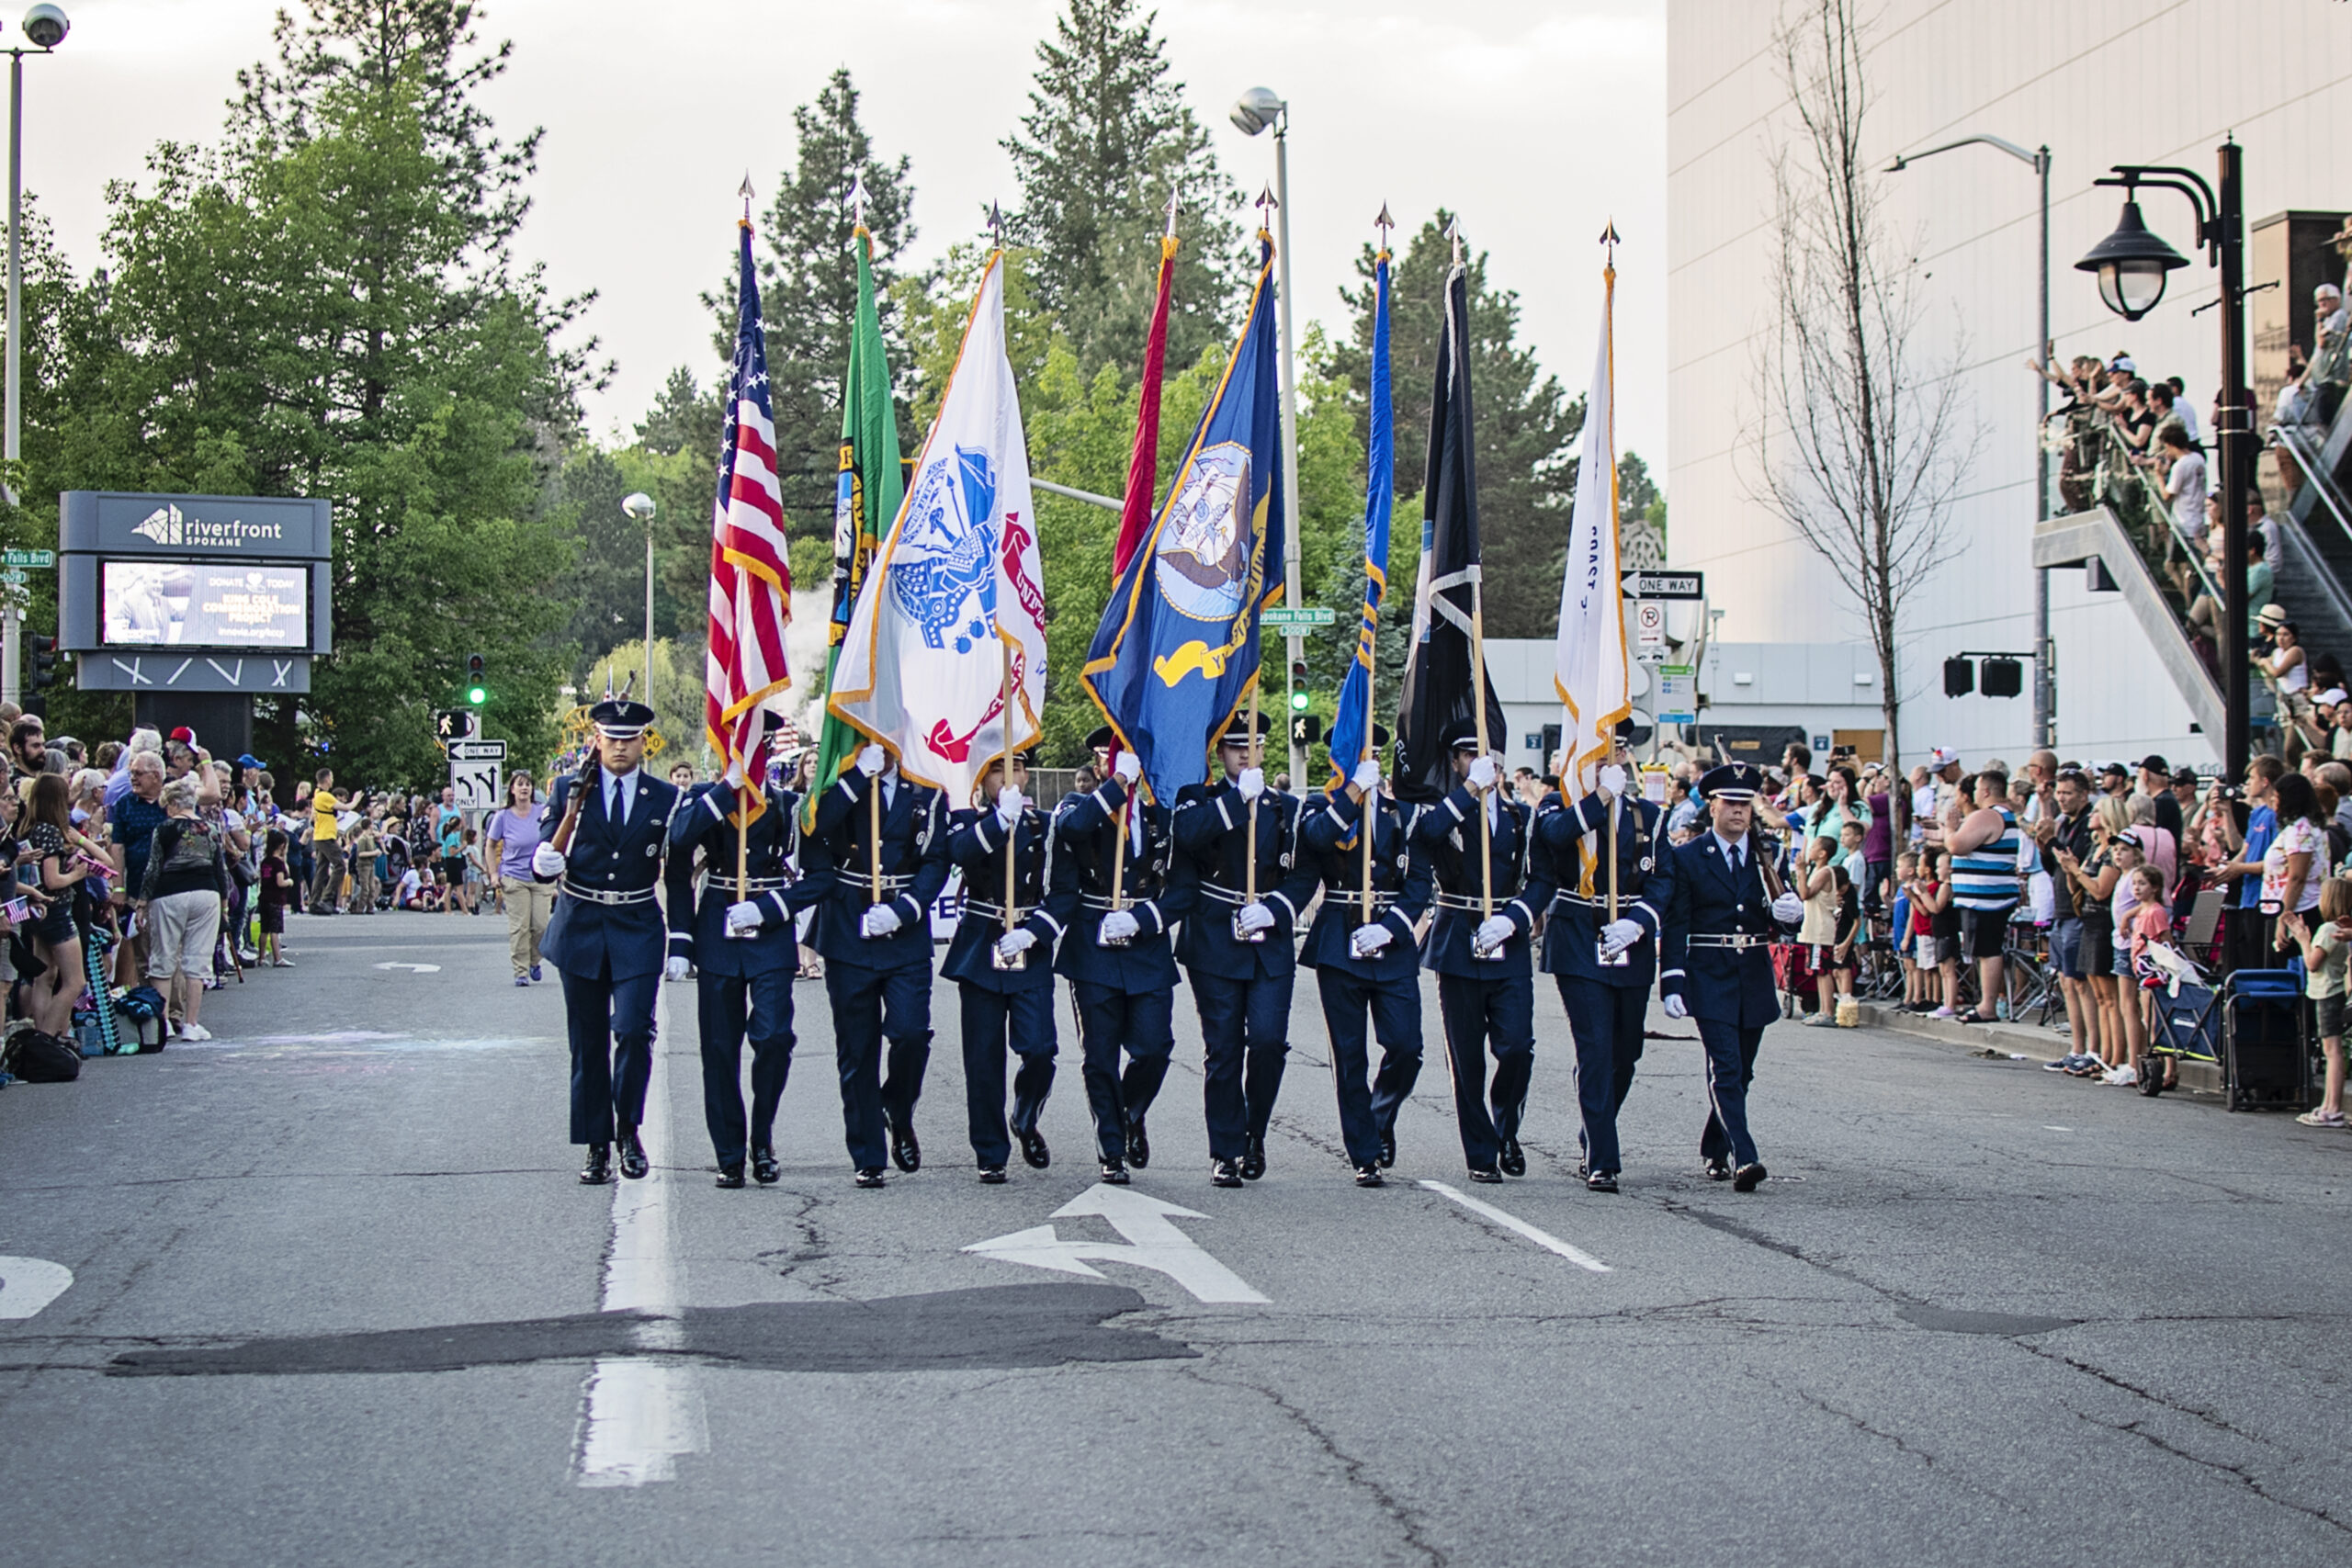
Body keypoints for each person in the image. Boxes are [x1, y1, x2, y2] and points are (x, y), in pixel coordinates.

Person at [530, 692, 693, 1186]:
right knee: (587, 1041)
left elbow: (680, 874)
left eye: (631, 738)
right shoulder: (568, 788)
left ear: (646, 743)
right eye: (611, 737)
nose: (620, 747)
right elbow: (546, 851)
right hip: (580, 925)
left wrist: (682, 940)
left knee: (633, 1031)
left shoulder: (667, 797)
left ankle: (628, 1129)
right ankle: (596, 1145)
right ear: (596, 739)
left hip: (636, 924)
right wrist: (543, 863)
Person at [669, 721, 825, 1189]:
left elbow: (821, 876)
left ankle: (762, 1135)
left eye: (754, 740)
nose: (745, 749)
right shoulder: (703, 797)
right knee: (719, 1050)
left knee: (775, 1037)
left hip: (770, 930)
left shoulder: (786, 805)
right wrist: (681, 939)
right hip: (717, 925)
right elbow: (678, 845)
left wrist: (768, 907)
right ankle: (730, 1152)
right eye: (736, 738)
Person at [1172, 713, 1317, 1187]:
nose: (1244, 753)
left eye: (1253, 744)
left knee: (1271, 1042)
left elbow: (1304, 873)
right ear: (1220, 753)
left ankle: (1254, 1132)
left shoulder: (1286, 808)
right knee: (1224, 1048)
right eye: (1235, 746)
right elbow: (1189, 837)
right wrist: (1238, 801)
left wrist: (1276, 907)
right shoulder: (1200, 798)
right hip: (1215, 937)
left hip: (1268, 938)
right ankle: (1226, 1151)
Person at [1411, 720, 1558, 1184]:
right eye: (1469, 753)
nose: (1482, 759)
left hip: (1507, 942)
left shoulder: (1518, 815)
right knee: (1467, 1057)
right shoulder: (1442, 808)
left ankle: (1505, 1128)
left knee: (1517, 1047)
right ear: (1455, 763)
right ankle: (1480, 1151)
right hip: (1458, 939)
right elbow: (1424, 837)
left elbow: (1542, 879)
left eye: (1489, 753)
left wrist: (1514, 918)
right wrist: (1469, 790)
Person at [801, 740, 948, 1189]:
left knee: (910, 1033)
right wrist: (853, 778)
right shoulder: (837, 783)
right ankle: (867, 1153)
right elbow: (816, 827)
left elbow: (937, 859)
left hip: (903, 931)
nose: (881, 744)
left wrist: (906, 910)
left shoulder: (926, 790)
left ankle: (897, 1109)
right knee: (857, 1048)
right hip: (848, 927)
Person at [1532, 727, 1672, 1192]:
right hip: (1577, 936)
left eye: (1617, 748)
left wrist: (1640, 921)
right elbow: (1555, 837)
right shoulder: (1558, 805)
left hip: (1626, 938)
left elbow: (1663, 880)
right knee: (1594, 1046)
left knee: (1626, 1052)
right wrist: (1598, 800)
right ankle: (1603, 1157)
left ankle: (1595, 1128)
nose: (1613, 754)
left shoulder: (1646, 815)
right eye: (1602, 748)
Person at [1660, 763, 1804, 1190]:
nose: (1739, 812)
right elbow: (1677, 922)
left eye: (1745, 804)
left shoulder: (1769, 855)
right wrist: (1672, 979)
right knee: (1725, 1067)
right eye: (1731, 804)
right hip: (1710, 972)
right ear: (1713, 805)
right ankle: (1746, 1155)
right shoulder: (1688, 857)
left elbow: (1782, 914)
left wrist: (1790, 918)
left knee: (1742, 1072)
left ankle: (1714, 1146)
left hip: (1753, 973)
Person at [1054, 728, 1189, 1184]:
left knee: (1155, 1047)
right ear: (1098, 762)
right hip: (1093, 946)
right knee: (1100, 1055)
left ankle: (1130, 1111)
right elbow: (1073, 830)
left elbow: (1182, 887)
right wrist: (1115, 789)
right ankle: (1111, 1145)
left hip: (1144, 943)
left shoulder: (1158, 814)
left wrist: (1145, 920)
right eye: (1108, 755)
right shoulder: (1079, 806)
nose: (1115, 762)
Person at [1300, 725, 1430, 1187]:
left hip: (1390, 944)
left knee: (1407, 1047)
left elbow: (1418, 885)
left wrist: (1391, 928)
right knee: (1350, 1055)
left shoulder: (1403, 813)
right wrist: (1353, 792)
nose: (1369, 759)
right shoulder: (1323, 806)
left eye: (1374, 752)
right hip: (1339, 942)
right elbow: (1317, 840)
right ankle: (1364, 1152)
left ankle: (1379, 1116)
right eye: (1360, 754)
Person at [940, 749, 1069, 1184]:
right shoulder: (967, 818)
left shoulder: (1046, 826)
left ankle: (1026, 1114)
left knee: (1040, 1049)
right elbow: (959, 852)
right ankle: (990, 1150)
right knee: (983, 1058)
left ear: (1028, 775)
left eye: (1016, 767)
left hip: (1027, 945)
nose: (1008, 777)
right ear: (983, 777)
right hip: (981, 945)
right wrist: (999, 822)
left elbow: (1064, 890)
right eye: (998, 769)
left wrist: (1035, 932)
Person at [138, 775, 229, 1042]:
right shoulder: (210, 829)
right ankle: (191, 1023)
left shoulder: (165, 829)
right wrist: (223, 902)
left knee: (163, 956)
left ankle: (163, 1022)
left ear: (175, 804)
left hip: (169, 893)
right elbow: (219, 868)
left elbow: (153, 866)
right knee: (198, 959)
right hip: (206, 892)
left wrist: (143, 901)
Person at [1944, 767, 2022, 1023]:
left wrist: (1950, 828)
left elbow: (1956, 845)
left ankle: (1988, 1005)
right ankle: (1985, 1002)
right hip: (1987, 894)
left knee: (1988, 949)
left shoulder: (1987, 815)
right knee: (1983, 949)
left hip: (1986, 897)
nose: (1974, 793)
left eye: (1977, 788)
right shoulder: (2005, 816)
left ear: (1986, 791)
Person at [21, 773, 88, 1037]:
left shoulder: (29, 827)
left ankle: (41, 1033)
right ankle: (48, 1037)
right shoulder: (50, 831)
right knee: (75, 981)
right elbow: (52, 879)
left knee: (45, 976)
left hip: (35, 909)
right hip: (56, 908)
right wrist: (76, 875)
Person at [2283, 877, 2352, 1128]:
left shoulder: (2327, 930)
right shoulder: (2339, 929)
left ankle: (2332, 1108)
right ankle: (2327, 1105)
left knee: (2332, 1051)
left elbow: (2312, 963)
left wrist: (2302, 938)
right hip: (2333, 991)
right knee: (2333, 1051)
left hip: (2327, 991)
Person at [486, 770, 551, 984]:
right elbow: (490, 845)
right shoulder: (502, 817)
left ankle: (534, 960)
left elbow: (556, 837)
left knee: (541, 925)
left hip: (540, 876)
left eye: (528, 784)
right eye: (519, 784)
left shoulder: (542, 812)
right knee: (520, 926)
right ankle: (521, 971)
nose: (524, 788)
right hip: (514, 876)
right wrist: (493, 873)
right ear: (512, 790)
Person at [257, 829, 295, 966]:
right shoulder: (278, 863)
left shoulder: (265, 861)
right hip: (275, 898)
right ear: (281, 846)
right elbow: (280, 882)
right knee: (275, 929)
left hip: (264, 897)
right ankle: (277, 957)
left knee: (264, 929)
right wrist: (289, 882)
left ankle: (261, 957)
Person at [308, 768, 344, 912]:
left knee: (321, 870)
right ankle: (326, 897)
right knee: (340, 865)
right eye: (332, 777)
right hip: (325, 836)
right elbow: (347, 807)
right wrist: (356, 800)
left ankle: (315, 901)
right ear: (327, 779)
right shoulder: (324, 796)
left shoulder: (316, 794)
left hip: (322, 834)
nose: (333, 780)